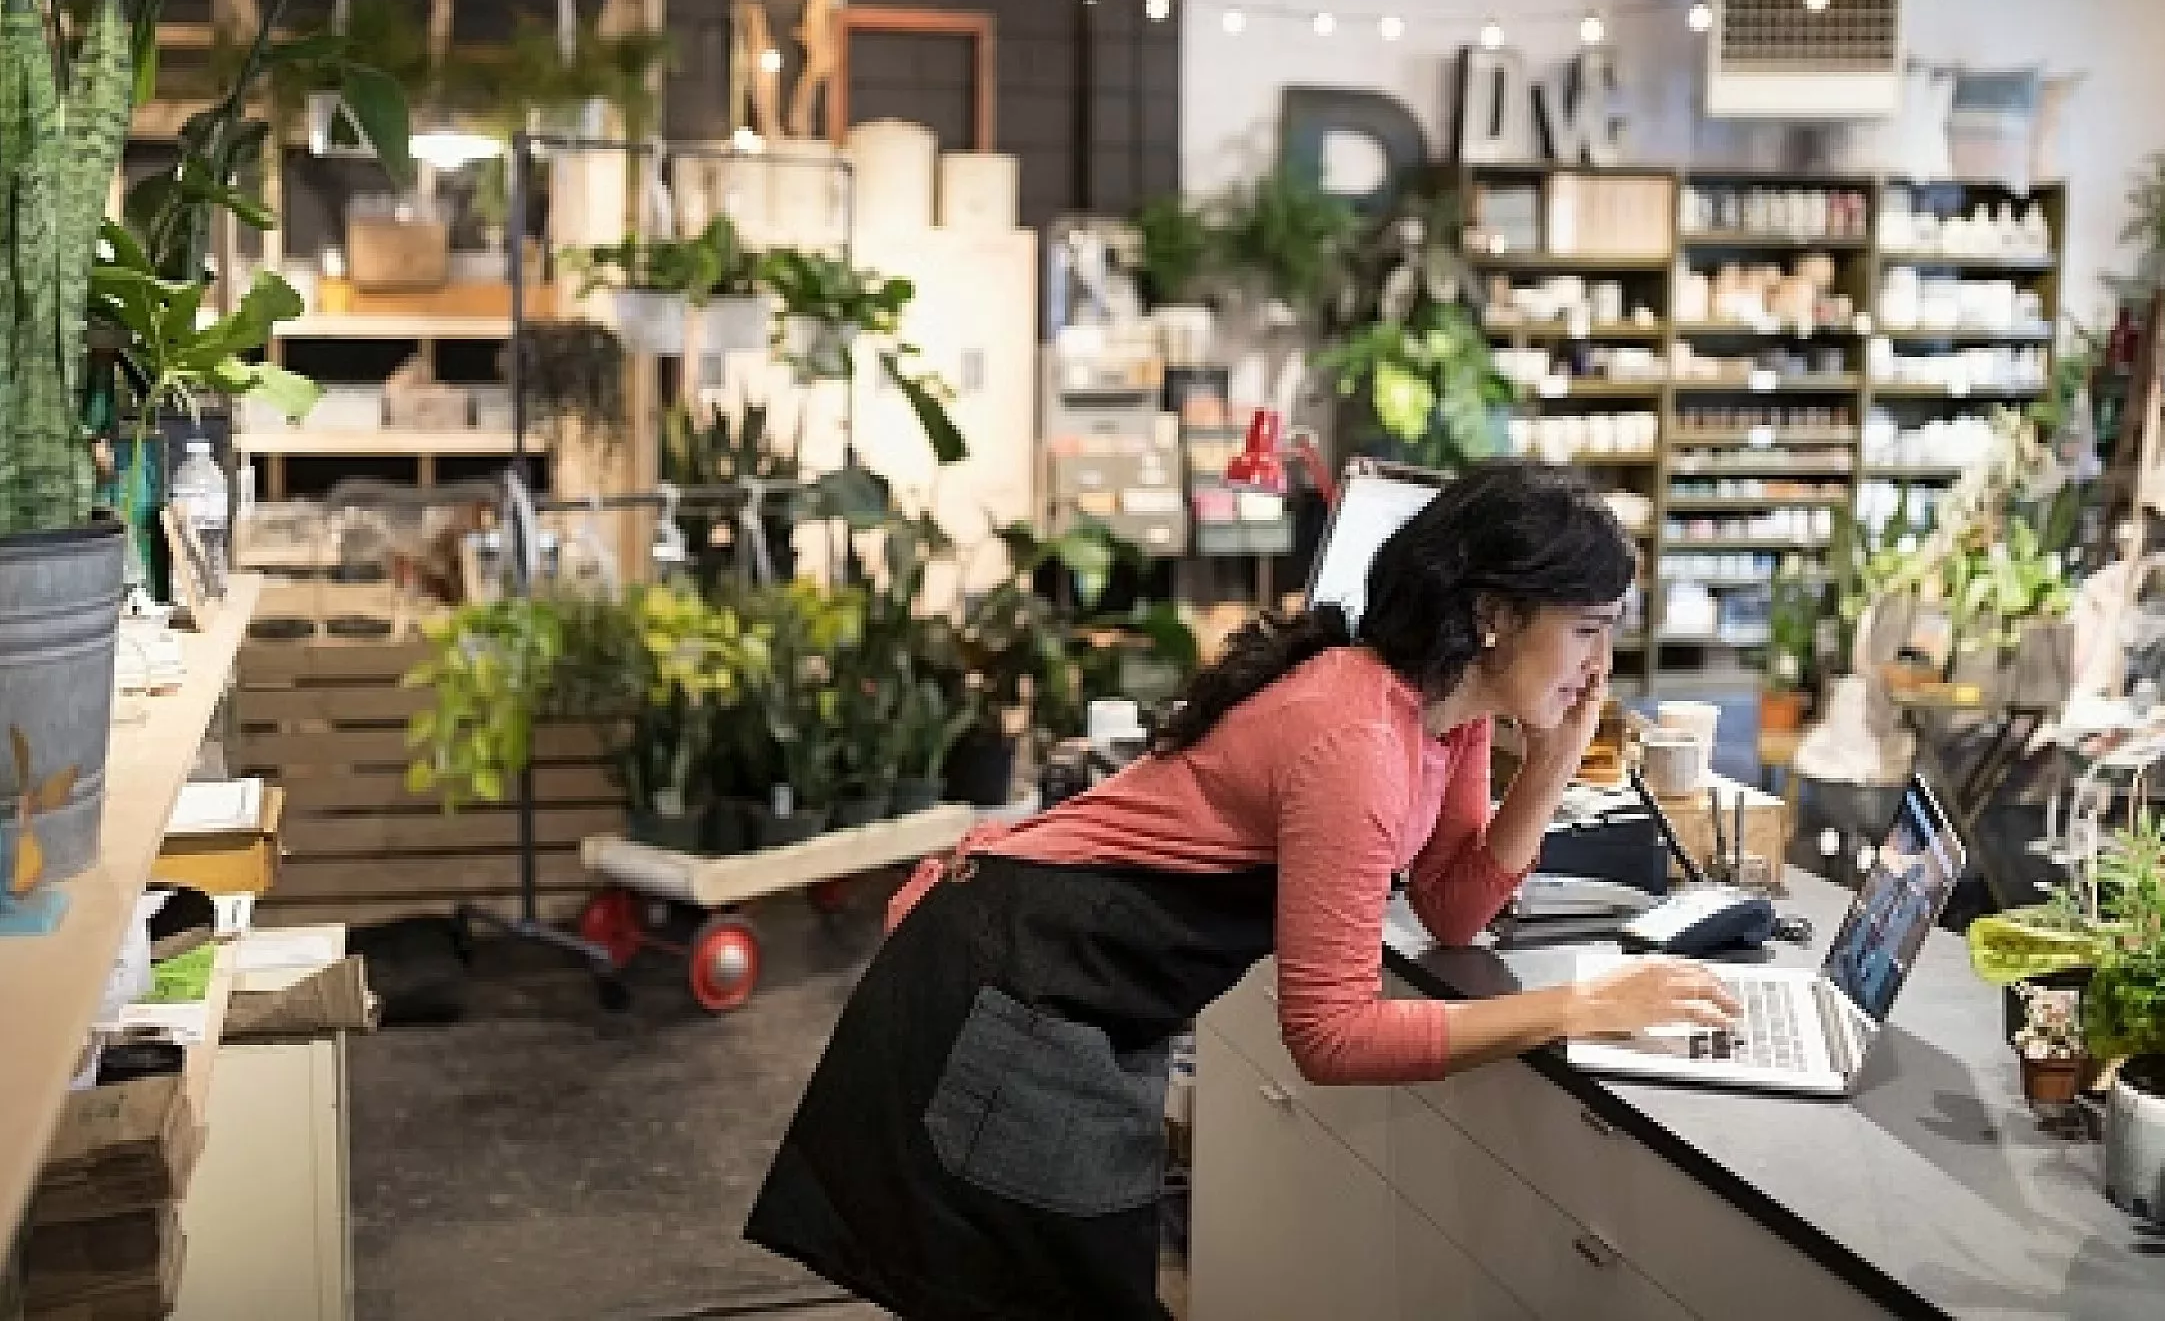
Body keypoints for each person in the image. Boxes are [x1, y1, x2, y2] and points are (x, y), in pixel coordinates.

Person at [744, 460, 1742, 1320]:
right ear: (1493, 614)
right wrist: (1580, 1008)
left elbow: (1448, 905)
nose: (1602, 668)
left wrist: (1551, 765)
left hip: (1062, 990)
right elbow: (1332, 1034)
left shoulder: (1448, 710)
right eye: (1588, 631)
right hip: (1019, 999)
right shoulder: (1358, 739)